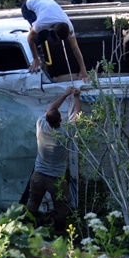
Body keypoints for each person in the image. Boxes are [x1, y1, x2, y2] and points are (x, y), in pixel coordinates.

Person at [27, 87, 81, 219]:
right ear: (60, 121)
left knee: (33, 205)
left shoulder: (41, 124)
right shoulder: (65, 133)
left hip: (38, 176)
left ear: (47, 118)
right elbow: (77, 116)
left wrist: (65, 95)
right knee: (61, 209)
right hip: (56, 180)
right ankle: (59, 233)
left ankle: (29, 230)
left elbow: (51, 108)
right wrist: (76, 97)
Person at [23, 0, 88, 80]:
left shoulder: (69, 25)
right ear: (54, 30)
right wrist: (35, 58)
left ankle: (44, 35)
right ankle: (37, 48)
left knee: (53, 39)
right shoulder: (42, 22)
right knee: (43, 35)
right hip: (29, 7)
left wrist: (83, 69)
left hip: (45, 0)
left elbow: (75, 48)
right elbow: (30, 38)